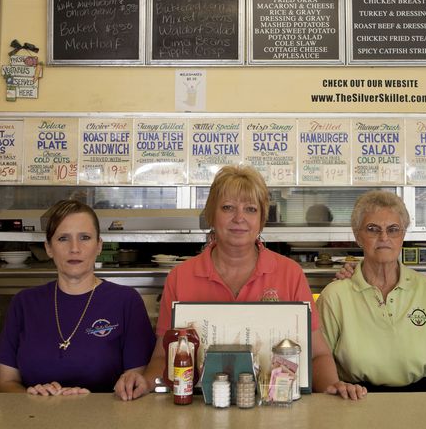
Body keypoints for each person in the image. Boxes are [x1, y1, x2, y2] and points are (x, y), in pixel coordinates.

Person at [115, 165, 366, 400]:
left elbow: (318, 354)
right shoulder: (180, 277)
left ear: (261, 219)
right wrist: (146, 382)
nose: (239, 218)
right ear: (211, 214)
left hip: (275, 408)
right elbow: (163, 356)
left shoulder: (290, 274)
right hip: (199, 409)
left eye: (250, 209)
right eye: (227, 208)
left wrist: (332, 386)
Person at [0, 200, 155, 395]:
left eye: (85, 237)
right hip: (34, 420)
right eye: (63, 238)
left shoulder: (126, 301)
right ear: (48, 248)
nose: (74, 248)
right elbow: (7, 381)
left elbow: (135, 383)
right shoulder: (24, 303)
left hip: (106, 422)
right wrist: (31, 396)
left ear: (99, 246)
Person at [317, 190, 426, 392]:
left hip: (422, 404)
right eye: (372, 229)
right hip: (357, 401)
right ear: (357, 235)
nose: (384, 237)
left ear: (403, 235)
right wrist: (335, 389)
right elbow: (318, 363)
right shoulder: (335, 296)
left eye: (393, 229)